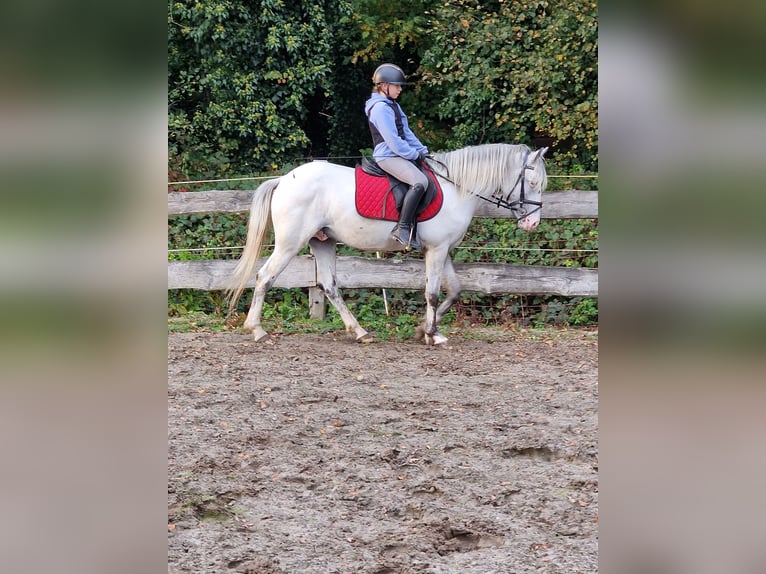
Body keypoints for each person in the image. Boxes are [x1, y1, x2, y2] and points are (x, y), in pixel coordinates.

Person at [365, 63, 429, 250]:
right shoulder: (380, 108)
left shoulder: (393, 106)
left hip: (399, 154)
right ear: (384, 86)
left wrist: (424, 152)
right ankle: (402, 228)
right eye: (397, 85)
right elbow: (393, 141)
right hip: (387, 156)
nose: (400, 89)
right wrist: (414, 155)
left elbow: (406, 133)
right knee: (420, 182)